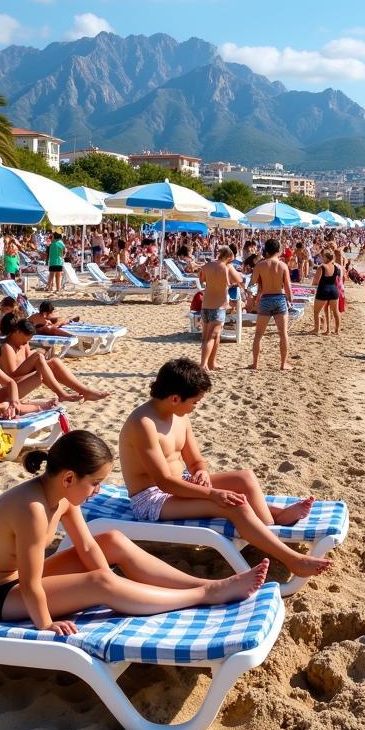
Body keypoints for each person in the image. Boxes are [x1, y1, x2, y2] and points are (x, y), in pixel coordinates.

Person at [0, 430, 268, 630]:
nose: (97, 491)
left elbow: (90, 548)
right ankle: (204, 594)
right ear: (69, 478)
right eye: (95, 483)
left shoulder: (61, 496)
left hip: (15, 582)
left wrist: (107, 573)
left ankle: (196, 584)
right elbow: (29, 584)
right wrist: (45, 625)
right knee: (100, 583)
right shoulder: (33, 510)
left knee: (111, 541)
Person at [119, 359, 331, 578]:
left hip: (180, 483)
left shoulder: (179, 417)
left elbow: (196, 461)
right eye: (195, 402)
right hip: (153, 499)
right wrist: (213, 494)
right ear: (175, 398)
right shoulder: (143, 424)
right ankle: (292, 559)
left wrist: (200, 472)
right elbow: (164, 482)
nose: (195, 407)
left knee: (244, 479)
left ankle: (270, 529)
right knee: (233, 505)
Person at [0, 314, 109, 402]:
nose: (26, 342)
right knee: (38, 356)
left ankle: (85, 391)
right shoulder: (7, 347)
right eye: (25, 339)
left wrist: (41, 360)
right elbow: (12, 374)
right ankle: (62, 394)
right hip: (14, 387)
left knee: (54, 361)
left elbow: (29, 364)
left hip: (25, 379)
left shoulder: (23, 344)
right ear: (17, 332)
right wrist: (37, 357)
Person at [249, 239, 294, 371]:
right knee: (283, 333)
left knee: (258, 334)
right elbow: (287, 287)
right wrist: (291, 301)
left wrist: (252, 299)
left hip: (266, 299)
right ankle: (283, 364)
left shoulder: (260, 266)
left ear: (266, 250)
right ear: (278, 250)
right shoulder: (283, 266)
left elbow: (252, 284)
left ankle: (255, 363)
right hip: (279, 299)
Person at [198, 246, 245, 371]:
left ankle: (212, 363)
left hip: (206, 305)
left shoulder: (206, 266)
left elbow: (202, 281)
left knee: (211, 337)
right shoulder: (227, 267)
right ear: (229, 257)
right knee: (211, 337)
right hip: (218, 306)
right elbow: (240, 280)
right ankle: (203, 365)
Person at [312, 247, 341, 336]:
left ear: (325, 257)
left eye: (322, 257)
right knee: (336, 312)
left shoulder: (322, 267)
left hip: (323, 290)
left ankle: (317, 330)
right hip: (333, 290)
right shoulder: (336, 267)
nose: (321, 258)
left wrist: (312, 286)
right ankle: (337, 330)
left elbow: (316, 281)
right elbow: (338, 278)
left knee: (317, 312)